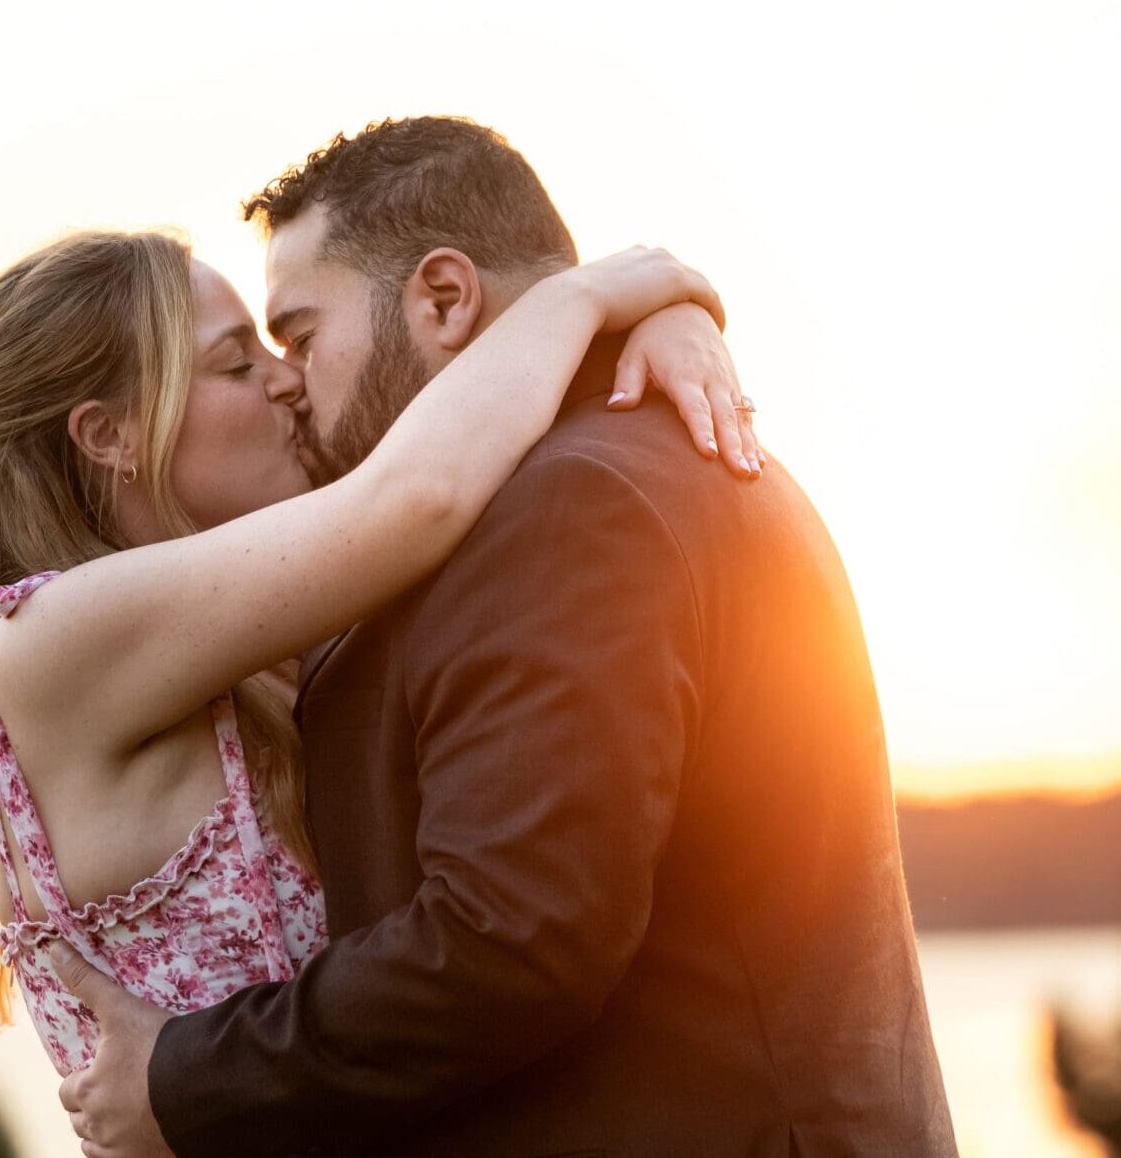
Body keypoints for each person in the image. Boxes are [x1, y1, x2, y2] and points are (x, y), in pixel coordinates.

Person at [52, 116, 958, 1157]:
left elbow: (510, 935)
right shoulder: (614, 465)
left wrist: (188, 1073)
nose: (289, 378)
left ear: (443, 298)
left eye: (300, 334)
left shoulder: (570, 504)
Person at [0, 218, 756, 1083]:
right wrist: (592, 295)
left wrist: (655, 329)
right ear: (108, 436)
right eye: (238, 364)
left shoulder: (230, 651)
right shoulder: (48, 644)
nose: (289, 381)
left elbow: (440, 452)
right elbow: (419, 490)